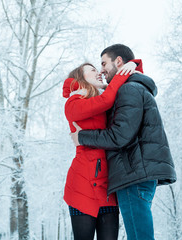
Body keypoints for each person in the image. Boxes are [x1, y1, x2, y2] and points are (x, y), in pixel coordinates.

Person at [70, 44, 177, 240]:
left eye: (103, 64)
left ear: (118, 62)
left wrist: (82, 137)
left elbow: (119, 136)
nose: (101, 70)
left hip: (133, 175)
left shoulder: (129, 89)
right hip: (136, 173)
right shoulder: (134, 87)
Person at [63, 59, 143, 240]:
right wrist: (127, 68)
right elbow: (107, 99)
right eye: (91, 70)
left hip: (108, 185)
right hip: (82, 184)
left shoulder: (101, 100)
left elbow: (129, 91)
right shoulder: (73, 103)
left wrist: (135, 66)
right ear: (80, 79)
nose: (98, 72)